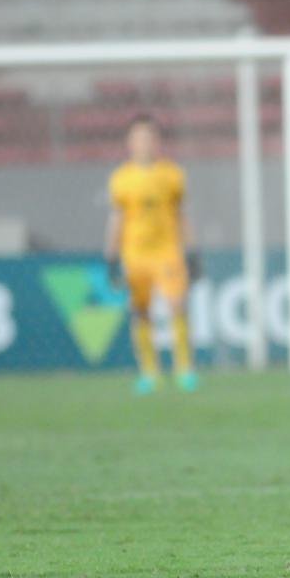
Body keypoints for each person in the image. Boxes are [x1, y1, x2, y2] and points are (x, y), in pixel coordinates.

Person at [104, 115, 200, 394]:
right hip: (135, 254)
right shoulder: (122, 178)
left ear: (156, 141)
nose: (144, 143)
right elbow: (117, 220)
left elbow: (181, 215)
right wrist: (111, 258)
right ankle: (150, 372)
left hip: (167, 251)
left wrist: (192, 252)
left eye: (149, 137)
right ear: (130, 142)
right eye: (138, 137)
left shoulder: (172, 175)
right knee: (140, 311)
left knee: (176, 304)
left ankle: (184, 369)